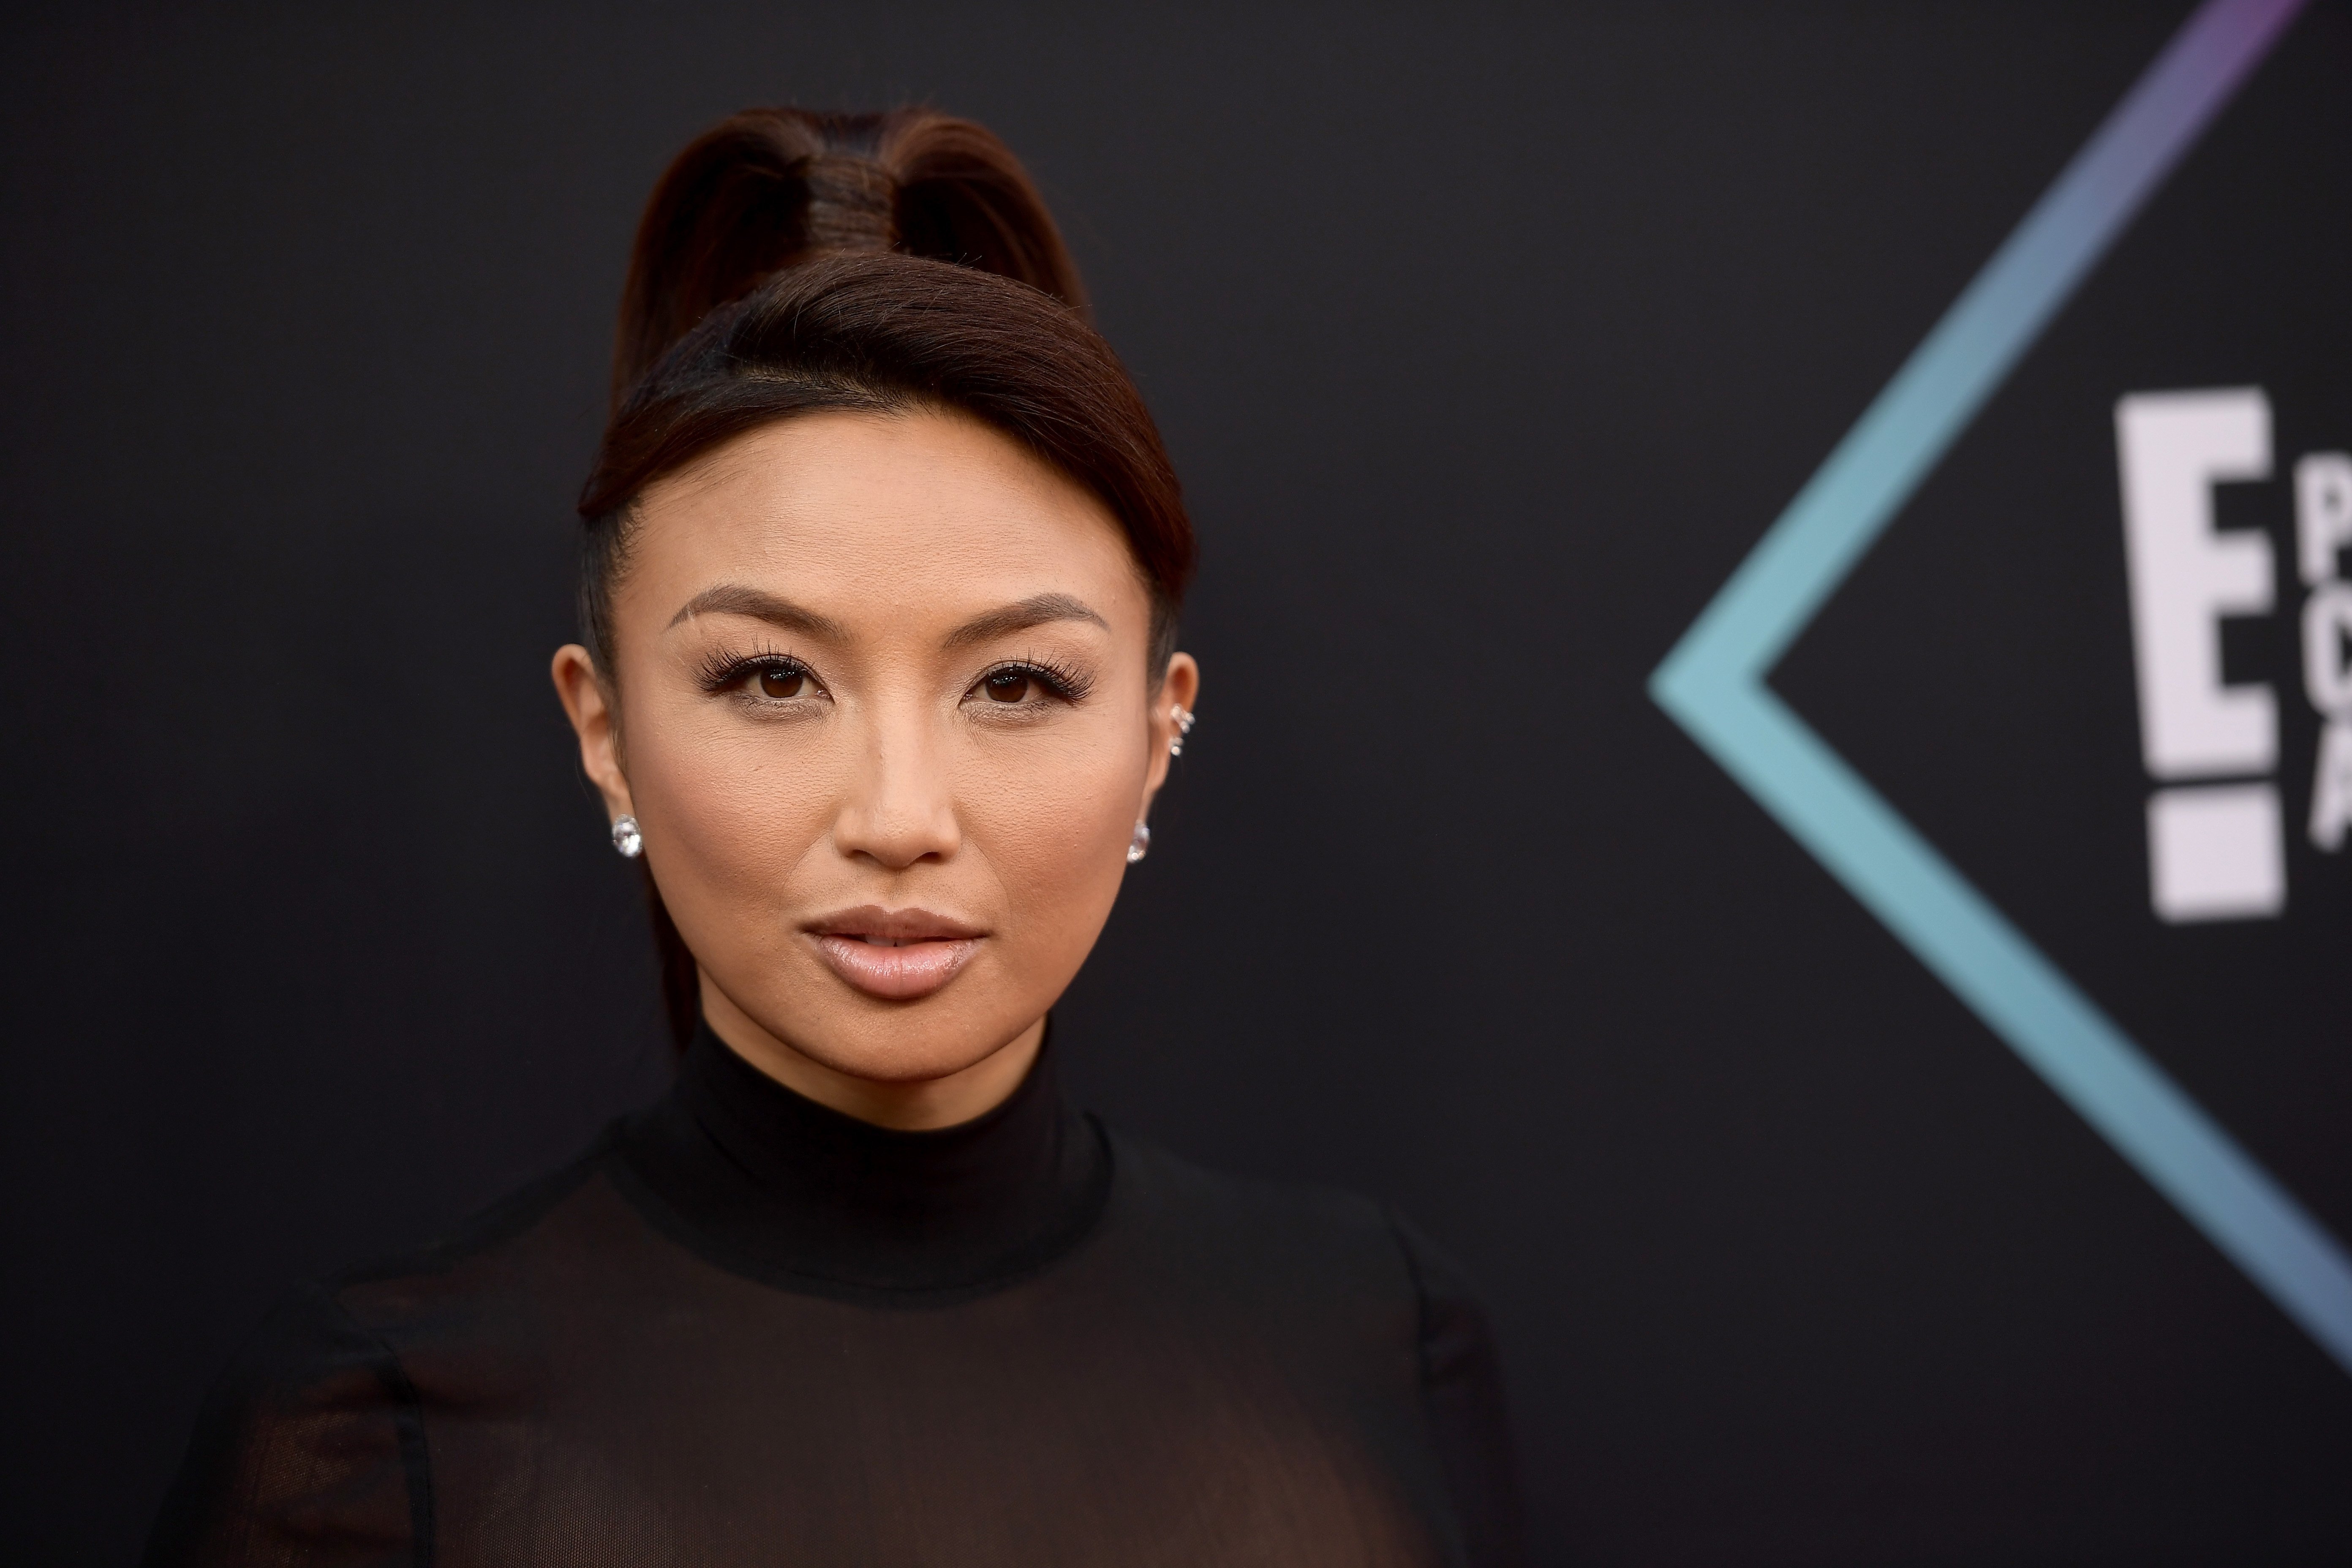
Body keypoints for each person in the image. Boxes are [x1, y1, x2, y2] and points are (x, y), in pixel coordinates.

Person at [146, 107, 1525, 1567]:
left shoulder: (1384, 1348)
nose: (899, 820)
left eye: (1017, 685)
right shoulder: (375, 1437)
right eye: (772, 679)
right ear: (603, 728)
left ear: (1157, 731)